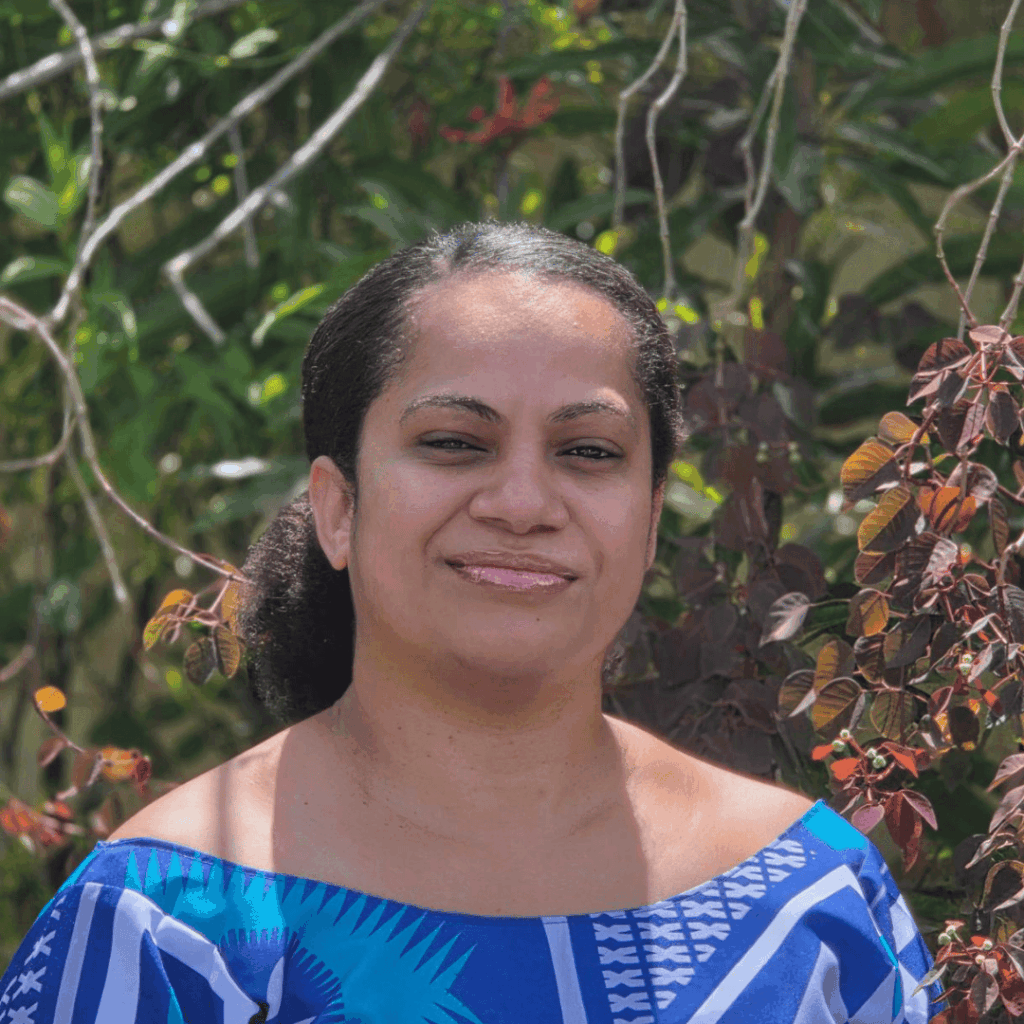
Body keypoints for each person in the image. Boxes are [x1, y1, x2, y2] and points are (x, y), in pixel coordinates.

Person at [0, 222, 941, 1023]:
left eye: (588, 451)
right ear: (338, 507)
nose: (523, 503)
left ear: (651, 520)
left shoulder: (812, 898)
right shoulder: (167, 925)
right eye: (454, 442)